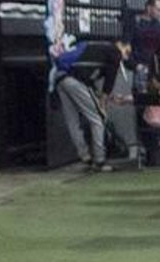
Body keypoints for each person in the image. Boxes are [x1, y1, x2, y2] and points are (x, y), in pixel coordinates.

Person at [49, 38, 119, 172]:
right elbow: (108, 81)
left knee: (72, 120)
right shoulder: (114, 51)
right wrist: (102, 103)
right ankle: (99, 160)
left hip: (60, 78)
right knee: (98, 119)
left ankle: (85, 156)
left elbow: (88, 82)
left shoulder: (90, 47)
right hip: (75, 79)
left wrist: (98, 96)